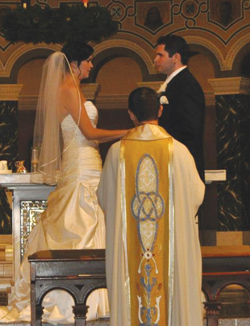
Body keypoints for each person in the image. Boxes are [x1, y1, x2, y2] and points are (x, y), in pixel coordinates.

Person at [0, 40, 128, 323]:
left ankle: (95, 294)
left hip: (87, 162)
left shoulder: (74, 88)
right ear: (74, 64)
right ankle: (84, 298)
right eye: (89, 60)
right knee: (84, 221)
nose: (92, 65)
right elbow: (90, 133)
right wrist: (127, 132)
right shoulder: (69, 89)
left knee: (91, 221)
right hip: (82, 165)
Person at [97, 87, 205, 326]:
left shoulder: (117, 153)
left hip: (130, 253)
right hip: (170, 253)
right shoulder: (179, 151)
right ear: (160, 110)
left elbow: (104, 198)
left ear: (131, 115)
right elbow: (197, 196)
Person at [154, 34, 205, 181]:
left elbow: (189, 128)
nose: (155, 60)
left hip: (182, 167)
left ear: (176, 57)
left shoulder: (185, 84)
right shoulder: (175, 83)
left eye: (160, 55)